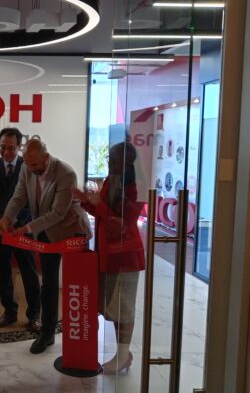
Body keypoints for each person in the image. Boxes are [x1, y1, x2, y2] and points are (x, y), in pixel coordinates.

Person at [0, 138, 91, 354]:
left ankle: (82, 334)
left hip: (71, 231)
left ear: (46, 157)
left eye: (35, 165)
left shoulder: (66, 173)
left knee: (77, 288)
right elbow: (18, 197)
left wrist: (26, 228)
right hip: (46, 231)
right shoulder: (26, 167)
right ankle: (47, 334)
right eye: (28, 164)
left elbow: (57, 213)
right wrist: (6, 218)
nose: (31, 169)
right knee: (48, 284)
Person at [73, 141, 145, 375]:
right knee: (112, 308)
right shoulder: (111, 180)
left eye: (113, 160)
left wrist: (98, 204)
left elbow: (124, 221)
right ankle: (123, 354)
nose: (109, 163)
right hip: (107, 254)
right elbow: (102, 214)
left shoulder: (137, 186)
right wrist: (85, 201)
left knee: (123, 308)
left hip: (125, 256)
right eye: (109, 159)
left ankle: (123, 355)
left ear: (126, 163)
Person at [0, 127, 41, 332]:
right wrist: (1, 221)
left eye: (10, 148)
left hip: (22, 229)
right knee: (3, 273)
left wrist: (16, 222)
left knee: (29, 272)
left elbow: (33, 199)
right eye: (2, 147)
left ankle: (34, 315)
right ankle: (9, 311)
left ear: (19, 147)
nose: (6, 152)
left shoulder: (29, 166)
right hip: (0, 231)